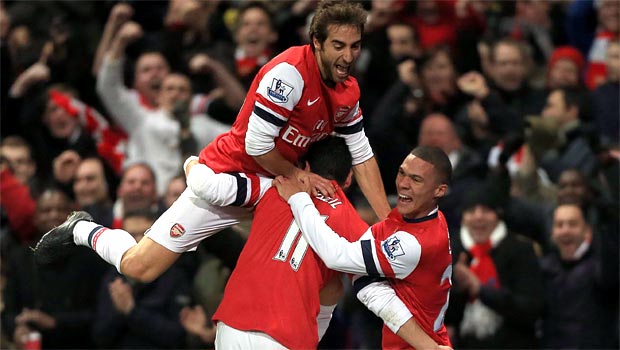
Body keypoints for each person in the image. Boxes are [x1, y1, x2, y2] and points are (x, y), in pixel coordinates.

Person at [34, 0, 389, 285]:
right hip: (233, 172)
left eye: (355, 46)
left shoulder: (348, 91)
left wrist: (390, 224)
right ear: (316, 43)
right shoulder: (289, 75)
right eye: (338, 46)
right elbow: (257, 145)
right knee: (139, 267)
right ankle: (82, 228)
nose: (347, 57)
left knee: (324, 269)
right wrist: (297, 177)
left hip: (275, 184)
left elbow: (363, 155)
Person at [273, 145, 453, 349]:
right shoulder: (423, 218)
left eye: (416, 179)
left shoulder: (415, 243)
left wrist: (298, 199)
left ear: (439, 190)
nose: (403, 184)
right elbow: (361, 275)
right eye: (402, 173)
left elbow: (336, 256)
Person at [540, 203, 619, 349]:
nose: (565, 231)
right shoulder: (543, 268)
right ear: (552, 232)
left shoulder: (602, 266)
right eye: (559, 225)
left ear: (586, 230)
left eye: (572, 224)